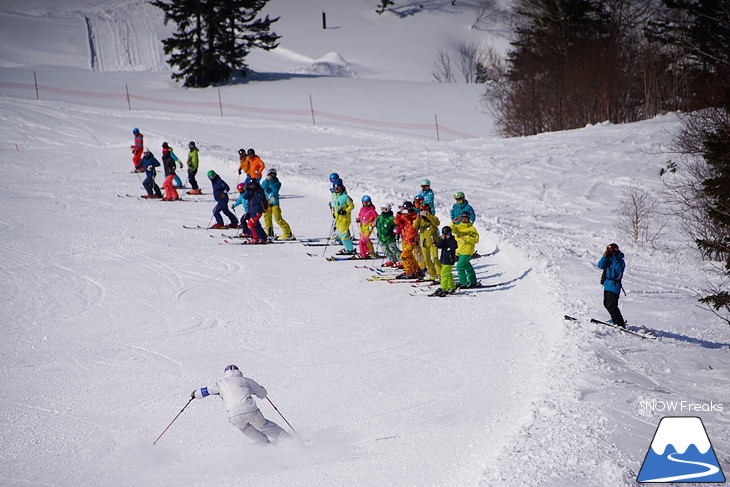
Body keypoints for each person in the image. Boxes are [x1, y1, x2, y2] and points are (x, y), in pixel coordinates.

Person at [190, 364, 290, 445]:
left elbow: (204, 391)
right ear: (239, 372)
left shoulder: (220, 383)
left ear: (226, 374)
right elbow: (263, 394)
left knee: (244, 427)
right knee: (264, 425)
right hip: (250, 410)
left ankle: (263, 443)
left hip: (233, 415)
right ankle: (288, 440)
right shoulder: (247, 381)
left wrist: (195, 394)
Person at [597, 243, 626, 328]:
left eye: (612, 250)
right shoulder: (609, 259)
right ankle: (614, 319)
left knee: (612, 305)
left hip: (614, 285)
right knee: (606, 303)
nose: (611, 252)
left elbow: (619, 269)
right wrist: (605, 256)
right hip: (607, 284)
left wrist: (614, 257)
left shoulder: (620, 260)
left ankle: (620, 323)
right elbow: (600, 265)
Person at [261, 168, 294, 241]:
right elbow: (264, 188)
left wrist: (271, 182)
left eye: (273, 174)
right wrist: (267, 180)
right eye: (270, 174)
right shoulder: (265, 182)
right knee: (267, 219)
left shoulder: (277, 183)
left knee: (278, 218)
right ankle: (269, 233)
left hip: (274, 202)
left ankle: (288, 233)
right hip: (267, 203)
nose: (271, 176)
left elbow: (275, 190)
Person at [413, 202, 441, 280]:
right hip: (424, 242)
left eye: (426, 209)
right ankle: (432, 274)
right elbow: (414, 226)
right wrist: (418, 218)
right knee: (427, 260)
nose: (424, 211)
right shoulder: (420, 219)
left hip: (433, 242)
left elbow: (437, 223)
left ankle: (440, 274)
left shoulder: (433, 217)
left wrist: (428, 215)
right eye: (423, 210)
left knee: (435, 259)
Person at [451, 211, 480, 288]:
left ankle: (462, 282)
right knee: (467, 266)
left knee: (459, 266)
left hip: (467, 251)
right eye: (463, 218)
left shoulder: (471, 228)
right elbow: (453, 230)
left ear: (468, 218)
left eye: (465, 218)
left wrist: (466, 238)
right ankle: (472, 281)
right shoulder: (459, 226)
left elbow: (476, 239)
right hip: (460, 250)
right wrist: (453, 223)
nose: (464, 219)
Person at [394, 202, 420, 278]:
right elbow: (396, 222)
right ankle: (416, 269)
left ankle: (409, 271)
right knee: (409, 256)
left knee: (404, 256)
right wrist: (399, 213)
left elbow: (414, 227)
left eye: (406, 209)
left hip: (411, 240)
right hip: (405, 239)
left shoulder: (415, 217)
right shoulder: (404, 217)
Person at [432, 226, 458, 296]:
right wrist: (442, 239)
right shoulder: (443, 240)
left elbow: (454, 246)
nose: (446, 235)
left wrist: (449, 239)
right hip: (443, 260)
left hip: (449, 260)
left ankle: (444, 288)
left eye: (448, 234)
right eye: (444, 234)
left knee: (444, 274)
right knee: (448, 274)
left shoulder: (452, 240)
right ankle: (451, 286)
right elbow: (438, 245)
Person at [241, 178, 269, 243]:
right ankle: (263, 237)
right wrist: (248, 190)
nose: (252, 186)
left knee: (250, 224)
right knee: (256, 225)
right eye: (251, 185)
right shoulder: (250, 191)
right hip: (252, 211)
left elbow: (259, 198)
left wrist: (255, 191)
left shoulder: (259, 191)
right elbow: (245, 197)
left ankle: (255, 238)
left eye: (254, 185)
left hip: (257, 211)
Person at [331, 184, 355, 255]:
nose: (337, 189)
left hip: (345, 219)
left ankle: (350, 249)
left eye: (338, 188)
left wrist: (345, 211)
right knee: (340, 234)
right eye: (335, 188)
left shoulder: (345, 197)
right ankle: (347, 248)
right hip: (338, 218)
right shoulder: (334, 195)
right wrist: (335, 213)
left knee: (343, 235)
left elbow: (352, 206)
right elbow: (335, 205)